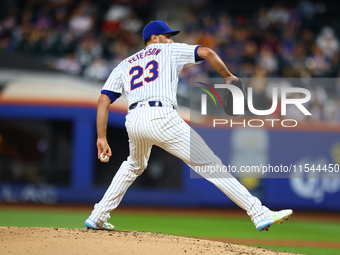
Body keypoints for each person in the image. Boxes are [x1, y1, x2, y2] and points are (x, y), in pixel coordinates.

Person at [85, 20, 292, 231]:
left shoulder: (125, 63)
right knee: (211, 166)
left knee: (133, 165)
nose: (171, 39)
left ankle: (98, 215)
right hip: (162, 115)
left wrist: (101, 137)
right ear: (154, 38)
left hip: (134, 120)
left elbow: (104, 100)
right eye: (168, 36)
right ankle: (258, 213)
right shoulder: (169, 50)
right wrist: (228, 76)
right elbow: (208, 52)